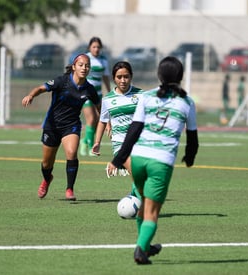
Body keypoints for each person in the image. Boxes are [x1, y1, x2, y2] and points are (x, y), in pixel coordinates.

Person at [107, 56, 199, 265]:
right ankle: (140, 251)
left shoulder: (146, 97)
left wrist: (119, 158)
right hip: (161, 162)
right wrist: (190, 157)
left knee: (143, 204)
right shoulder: (186, 101)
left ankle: (146, 246)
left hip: (138, 158)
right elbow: (192, 138)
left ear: (159, 75)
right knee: (152, 211)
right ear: (181, 77)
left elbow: (134, 130)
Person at [21, 54, 100, 201]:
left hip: (71, 126)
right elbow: (40, 88)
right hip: (52, 126)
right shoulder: (61, 81)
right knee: (46, 163)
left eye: (87, 65)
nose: (84, 68)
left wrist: (107, 123)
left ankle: (69, 189)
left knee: (71, 152)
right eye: (81, 65)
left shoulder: (89, 89)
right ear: (74, 66)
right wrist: (31, 95)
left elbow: (100, 107)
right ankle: (47, 179)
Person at [91, 61, 142, 197]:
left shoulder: (141, 95)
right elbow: (102, 121)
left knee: (141, 175)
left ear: (131, 76)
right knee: (137, 172)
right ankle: (140, 203)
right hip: (120, 144)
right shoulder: (108, 99)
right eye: (119, 77)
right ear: (114, 78)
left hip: (139, 143)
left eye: (126, 76)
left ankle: (135, 198)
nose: (123, 80)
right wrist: (97, 142)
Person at [79, 37, 111, 157]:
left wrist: (109, 91)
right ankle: (91, 148)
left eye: (98, 47)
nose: (96, 49)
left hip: (98, 94)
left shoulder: (103, 60)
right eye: (94, 47)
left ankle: (84, 141)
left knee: (98, 120)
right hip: (85, 93)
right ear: (89, 48)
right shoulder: (86, 58)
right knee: (91, 119)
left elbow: (106, 77)